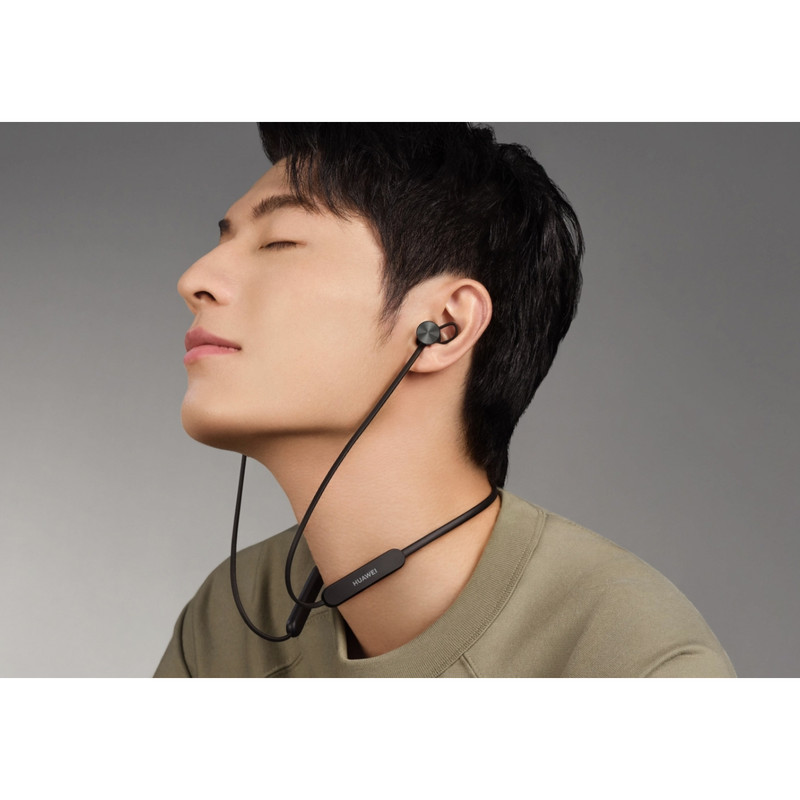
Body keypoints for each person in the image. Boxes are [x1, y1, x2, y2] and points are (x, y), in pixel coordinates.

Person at [155, 123, 735, 677]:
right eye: (224, 241)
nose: (194, 279)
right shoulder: (229, 621)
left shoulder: (633, 662)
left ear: (445, 325)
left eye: (278, 241)